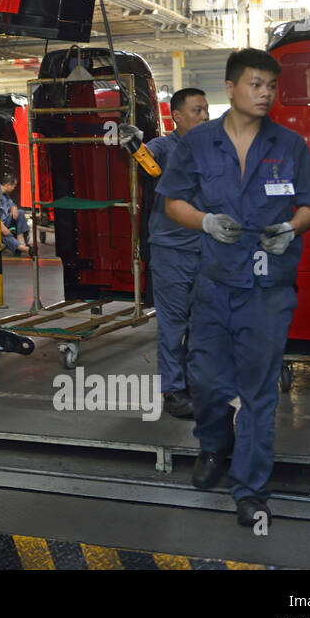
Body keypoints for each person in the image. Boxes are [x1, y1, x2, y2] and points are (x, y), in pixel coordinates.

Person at [157, 49, 310, 529]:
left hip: (268, 289)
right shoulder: (198, 144)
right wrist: (206, 220)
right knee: (208, 384)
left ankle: (251, 491)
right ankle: (213, 447)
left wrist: (292, 227)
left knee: (257, 393)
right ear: (230, 88)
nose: (266, 94)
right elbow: (172, 202)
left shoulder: (289, 145)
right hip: (214, 285)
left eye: (271, 85)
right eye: (256, 84)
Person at [135, 88, 210, 420]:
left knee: (202, 322)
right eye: (197, 110)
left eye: (206, 110)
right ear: (176, 115)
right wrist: (131, 144)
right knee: (173, 324)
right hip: (170, 251)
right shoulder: (163, 147)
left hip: (206, 249)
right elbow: (145, 164)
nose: (205, 116)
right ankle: (173, 390)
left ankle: (195, 383)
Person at [0, 175, 31, 255]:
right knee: (4, 233)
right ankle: (25, 249)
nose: (14, 188)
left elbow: (12, 204)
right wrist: (3, 228)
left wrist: (14, 207)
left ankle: (21, 240)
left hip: (4, 220)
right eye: (14, 186)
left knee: (20, 212)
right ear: (8, 185)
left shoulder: (5, 194)